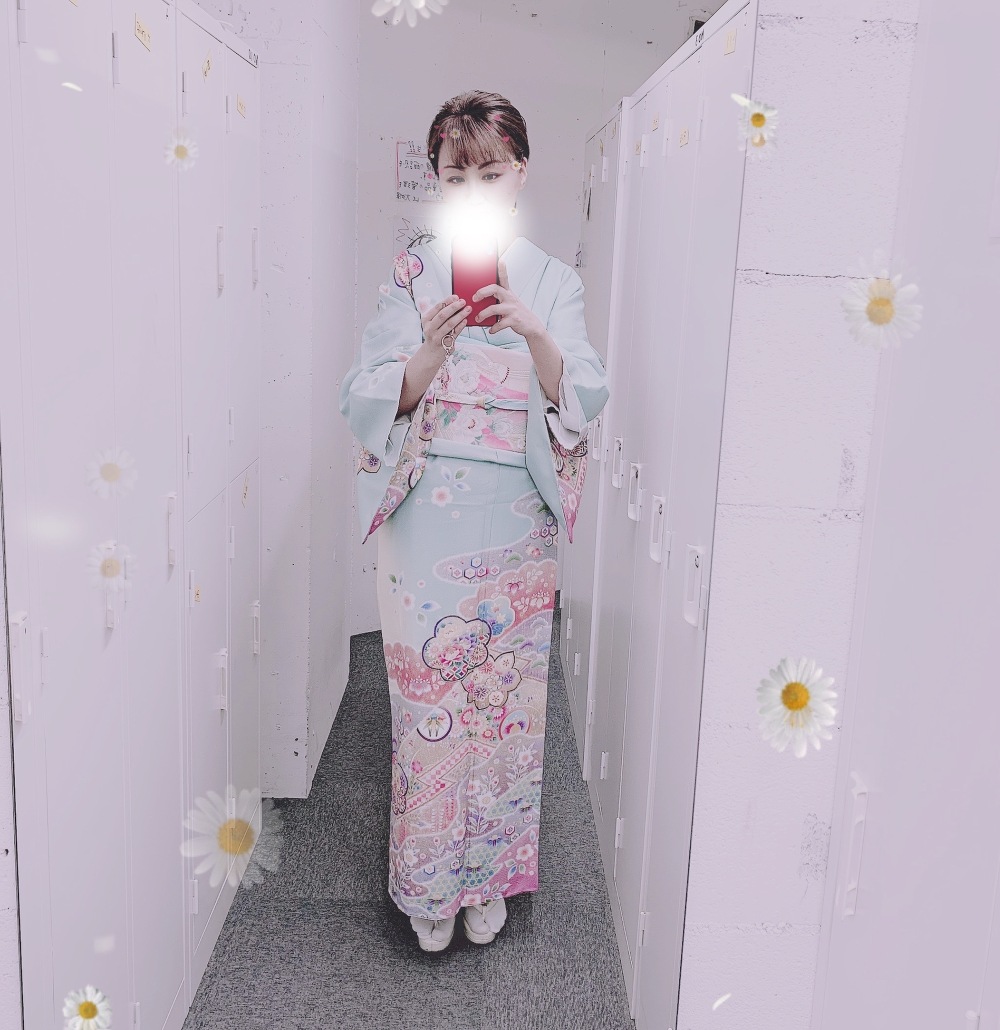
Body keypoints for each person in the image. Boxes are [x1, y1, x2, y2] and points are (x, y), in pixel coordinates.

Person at [338, 90, 610, 953]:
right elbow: (362, 395)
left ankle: (487, 876)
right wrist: (429, 353)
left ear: (520, 173)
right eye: (456, 177)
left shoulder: (555, 281)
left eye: (490, 173)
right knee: (428, 697)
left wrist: (534, 333)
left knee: (506, 705)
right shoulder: (412, 274)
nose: (474, 190)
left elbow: (586, 393)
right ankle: (428, 882)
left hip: (518, 513)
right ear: (438, 181)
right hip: (427, 512)